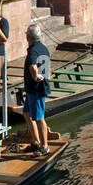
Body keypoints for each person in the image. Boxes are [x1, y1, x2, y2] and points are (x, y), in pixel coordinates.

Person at [23, 22, 52, 155]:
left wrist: (35, 76)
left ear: (28, 37)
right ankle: (35, 141)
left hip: (36, 89)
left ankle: (44, 146)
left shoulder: (33, 50)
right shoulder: (44, 48)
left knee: (39, 118)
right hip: (32, 89)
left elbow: (33, 66)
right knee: (27, 114)